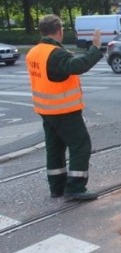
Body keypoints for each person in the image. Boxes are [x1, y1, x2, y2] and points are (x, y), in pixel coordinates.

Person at [26, 15, 103, 201]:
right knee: (81, 145)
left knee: (54, 148)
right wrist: (95, 48)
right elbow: (77, 66)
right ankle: (75, 187)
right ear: (59, 31)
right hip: (64, 110)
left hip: (46, 110)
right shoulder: (56, 53)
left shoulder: (34, 52)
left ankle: (57, 187)